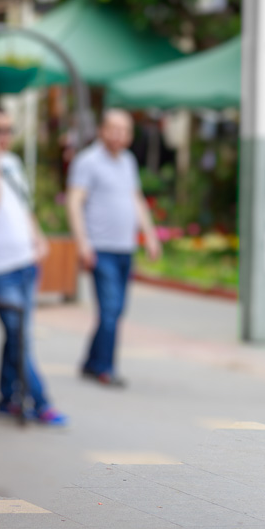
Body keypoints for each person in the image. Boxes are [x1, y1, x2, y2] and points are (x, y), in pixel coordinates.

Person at [0, 106, 67, 426]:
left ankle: (6, 398)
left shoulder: (13, 162)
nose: (4, 137)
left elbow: (22, 206)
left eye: (9, 130)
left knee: (17, 336)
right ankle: (41, 401)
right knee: (19, 335)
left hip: (25, 263)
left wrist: (38, 237)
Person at [66, 110, 160, 387]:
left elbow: (136, 199)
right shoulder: (88, 161)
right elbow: (74, 203)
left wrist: (150, 235)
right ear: (102, 130)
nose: (119, 135)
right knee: (110, 309)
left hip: (124, 248)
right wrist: (83, 243)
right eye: (114, 129)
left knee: (115, 311)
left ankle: (91, 362)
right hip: (100, 248)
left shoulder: (128, 161)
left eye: (125, 130)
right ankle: (105, 368)